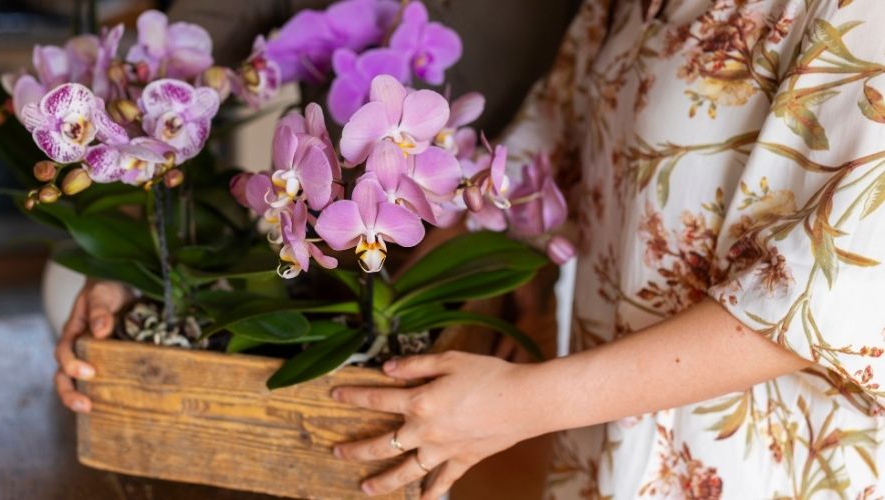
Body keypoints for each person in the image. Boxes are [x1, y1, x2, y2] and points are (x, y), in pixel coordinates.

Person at [56, 0, 885, 498]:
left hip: (762, 461)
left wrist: (525, 403)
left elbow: (837, 295)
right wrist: (162, 281)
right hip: (612, 442)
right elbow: (542, 146)